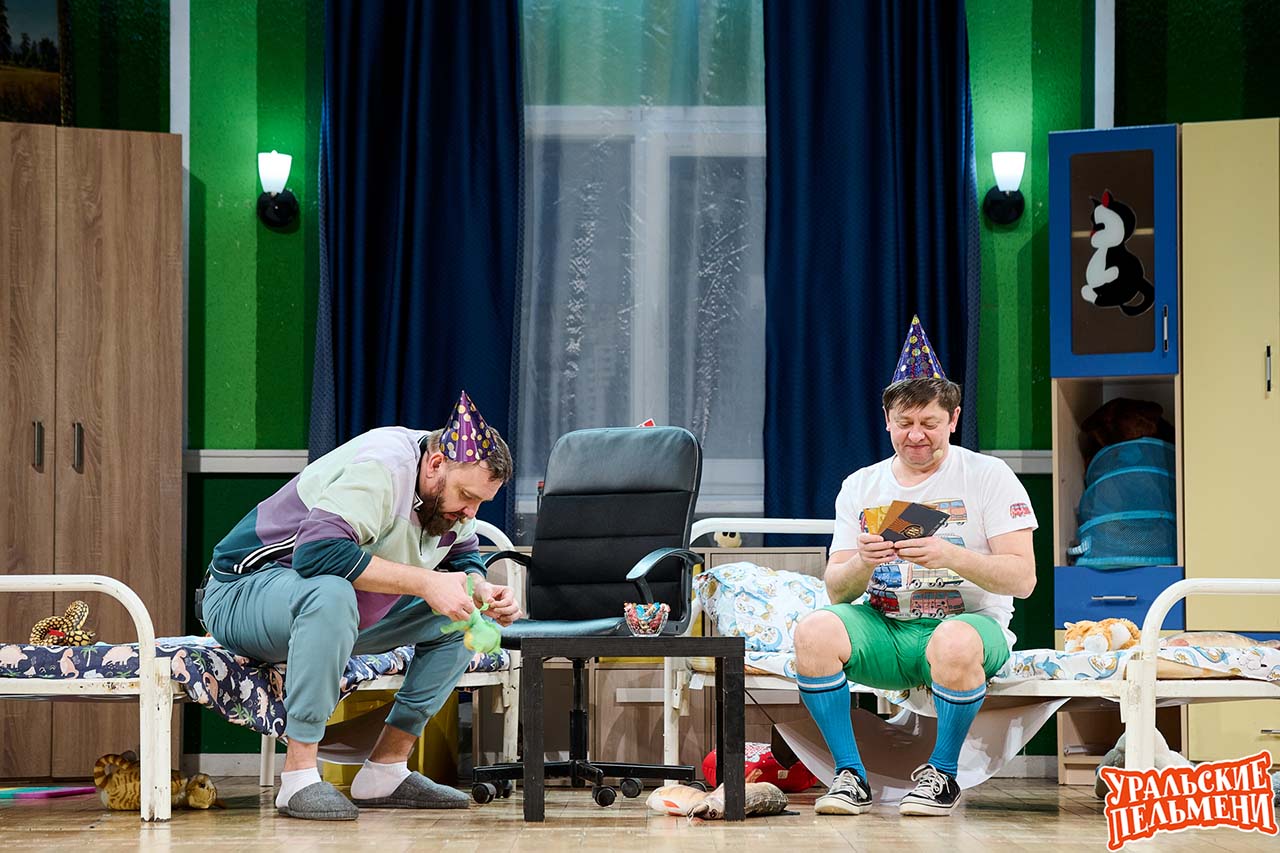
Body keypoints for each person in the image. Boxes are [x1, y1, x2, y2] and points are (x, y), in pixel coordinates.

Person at [198, 391, 521, 820]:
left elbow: (463, 555)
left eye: (480, 502)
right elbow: (317, 554)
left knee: (463, 617)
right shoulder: (383, 467)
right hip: (241, 594)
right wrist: (427, 582)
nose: (470, 512)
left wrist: (478, 587)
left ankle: (385, 769)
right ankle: (298, 777)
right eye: (466, 496)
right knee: (330, 593)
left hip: (343, 615)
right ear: (436, 463)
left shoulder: (447, 501)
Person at [793, 317, 1037, 817]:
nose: (916, 435)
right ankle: (849, 775)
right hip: (886, 628)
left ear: (953, 418)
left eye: (929, 422)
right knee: (813, 630)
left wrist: (950, 555)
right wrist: (863, 563)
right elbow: (837, 590)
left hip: (968, 627)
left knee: (954, 639)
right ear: (887, 420)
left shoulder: (989, 476)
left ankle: (942, 775)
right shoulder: (861, 485)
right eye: (905, 423)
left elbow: (1024, 578)